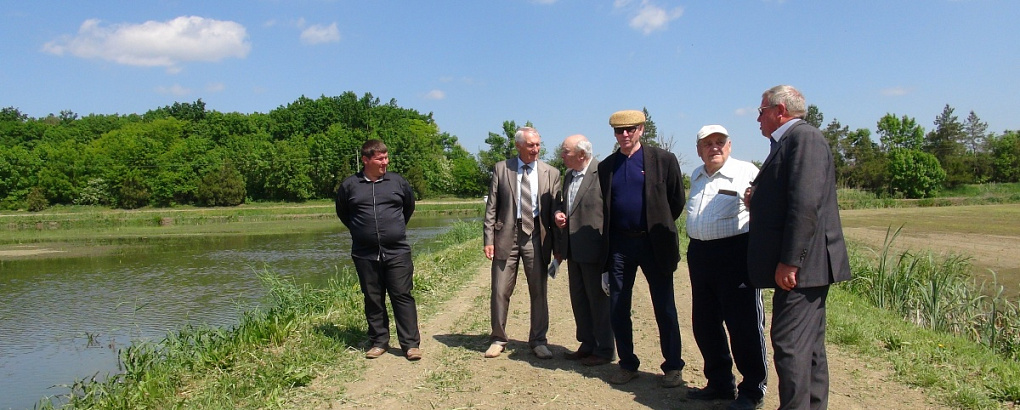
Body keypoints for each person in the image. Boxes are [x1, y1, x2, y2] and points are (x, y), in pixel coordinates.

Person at [746, 85, 852, 409]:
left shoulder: (804, 139)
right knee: (810, 349)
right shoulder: (789, 142)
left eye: (761, 111)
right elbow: (789, 196)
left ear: (780, 111)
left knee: (790, 344)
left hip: (804, 269)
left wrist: (790, 261)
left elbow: (806, 204)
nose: (758, 119)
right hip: (807, 267)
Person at [598, 110, 686, 387]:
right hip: (620, 245)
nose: (624, 135)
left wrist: (655, 224)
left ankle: (672, 366)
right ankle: (627, 364)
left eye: (630, 129)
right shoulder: (606, 167)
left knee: (664, 307)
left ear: (641, 129)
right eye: (618, 131)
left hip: (653, 244)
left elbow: (676, 201)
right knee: (618, 306)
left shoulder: (663, 160)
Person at [684, 125, 768, 410]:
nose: (714, 148)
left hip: (735, 254)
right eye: (707, 144)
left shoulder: (746, 172)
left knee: (743, 324)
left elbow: (766, 209)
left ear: (729, 146)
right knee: (705, 323)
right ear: (699, 150)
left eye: (720, 142)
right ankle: (719, 382)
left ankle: (752, 389)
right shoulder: (696, 176)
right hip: (700, 254)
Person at [335, 139, 422, 361]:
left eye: (386, 157)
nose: (386, 162)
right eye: (380, 158)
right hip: (364, 253)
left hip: (397, 251)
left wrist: (393, 230)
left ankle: (410, 345)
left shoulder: (397, 182)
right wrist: (363, 232)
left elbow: (408, 208)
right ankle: (379, 341)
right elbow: (344, 214)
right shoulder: (350, 186)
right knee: (373, 298)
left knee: (402, 295)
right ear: (366, 160)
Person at [483, 127, 562, 360]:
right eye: (530, 145)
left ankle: (538, 340)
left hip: (537, 235)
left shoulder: (552, 173)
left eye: (538, 144)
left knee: (538, 290)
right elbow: (492, 208)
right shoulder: (501, 168)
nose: (535, 149)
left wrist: (558, 246)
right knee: (499, 289)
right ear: (518, 146)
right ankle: (498, 338)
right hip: (506, 234)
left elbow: (556, 210)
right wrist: (488, 238)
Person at [552, 134, 614, 367]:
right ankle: (587, 344)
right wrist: (559, 213)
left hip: (595, 250)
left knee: (598, 302)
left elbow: (609, 213)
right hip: (573, 250)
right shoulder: (569, 176)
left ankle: (604, 349)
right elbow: (565, 204)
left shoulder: (603, 173)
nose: (561, 155)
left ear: (581, 154)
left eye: (565, 151)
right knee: (579, 300)